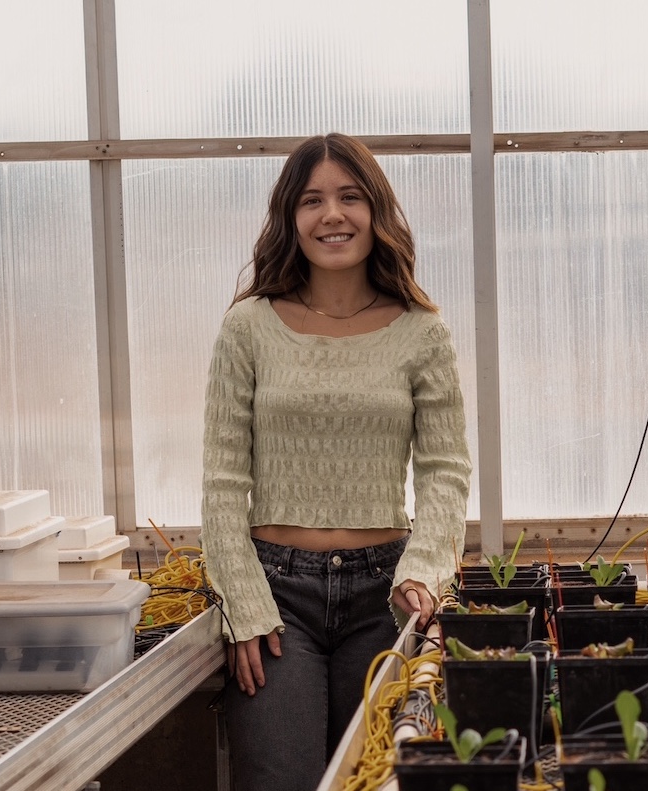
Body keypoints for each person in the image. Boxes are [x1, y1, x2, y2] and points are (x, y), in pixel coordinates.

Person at [199, 132, 471, 791]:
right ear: (290, 219)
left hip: (384, 596)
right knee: (279, 779)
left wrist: (426, 571)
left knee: (372, 779)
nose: (333, 215)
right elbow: (223, 479)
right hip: (276, 599)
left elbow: (444, 470)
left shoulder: (421, 330)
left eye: (350, 196)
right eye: (312, 200)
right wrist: (241, 600)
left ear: (375, 211)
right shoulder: (249, 327)